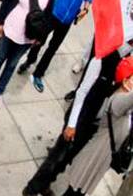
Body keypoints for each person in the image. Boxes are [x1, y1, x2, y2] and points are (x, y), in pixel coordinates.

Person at [58, 56, 133, 196]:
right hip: (96, 155)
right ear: (125, 81)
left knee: (76, 191)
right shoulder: (119, 101)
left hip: (101, 156)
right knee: (74, 191)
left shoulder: (123, 99)